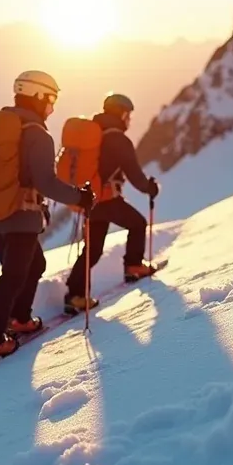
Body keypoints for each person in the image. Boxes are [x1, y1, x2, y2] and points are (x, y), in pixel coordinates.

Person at [0, 70, 94, 360]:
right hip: (22, 216)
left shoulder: (2, 128)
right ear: (37, 96)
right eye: (50, 100)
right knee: (13, 276)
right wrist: (80, 197)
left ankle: (19, 317)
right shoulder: (37, 135)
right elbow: (46, 183)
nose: (51, 108)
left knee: (35, 263)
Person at [64, 92, 160, 313]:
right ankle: (133, 265)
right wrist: (149, 188)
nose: (129, 120)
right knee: (137, 223)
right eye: (128, 115)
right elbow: (134, 173)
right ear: (122, 113)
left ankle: (74, 294)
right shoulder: (118, 139)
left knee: (93, 249)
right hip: (107, 199)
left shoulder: (94, 135)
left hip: (92, 201)